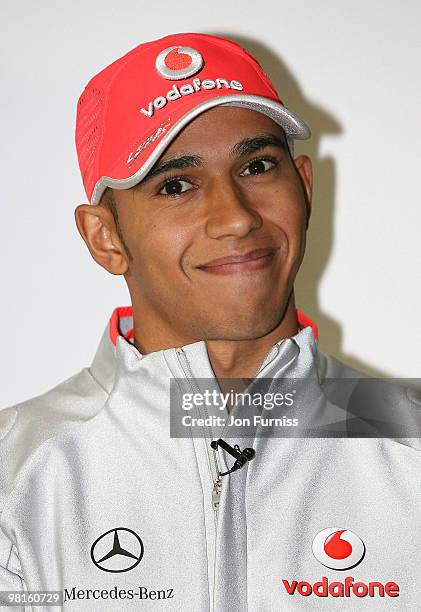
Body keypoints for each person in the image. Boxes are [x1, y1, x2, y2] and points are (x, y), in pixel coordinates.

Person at [0, 32, 419, 611]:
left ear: (304, 185)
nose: (236, 218)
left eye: (257, 166)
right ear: (106, 237)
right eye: (177, 185)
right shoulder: (15, 473)